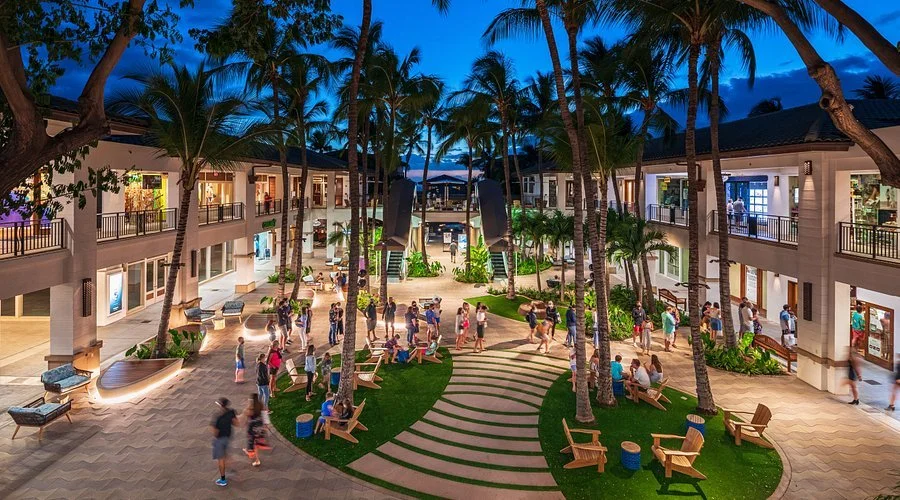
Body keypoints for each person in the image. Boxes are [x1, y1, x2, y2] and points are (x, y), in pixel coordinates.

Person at [211, 397, 238, 486]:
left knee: (221, 459)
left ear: (220, 405)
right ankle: (231, 469)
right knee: (226, 454)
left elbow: (215, 432)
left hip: (220, 439)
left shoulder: (217, 417)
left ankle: (223, 480)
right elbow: (236, 423)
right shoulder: (231, 412)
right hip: (228, 436)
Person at [243, 394, 264, 467]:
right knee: (256, 443)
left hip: (252, 429)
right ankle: (249, 450)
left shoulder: (250, 409)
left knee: (253, 444)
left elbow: (246, 415)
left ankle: (257, 460)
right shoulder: (260, 405)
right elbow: (264, 415)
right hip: (259, 427)